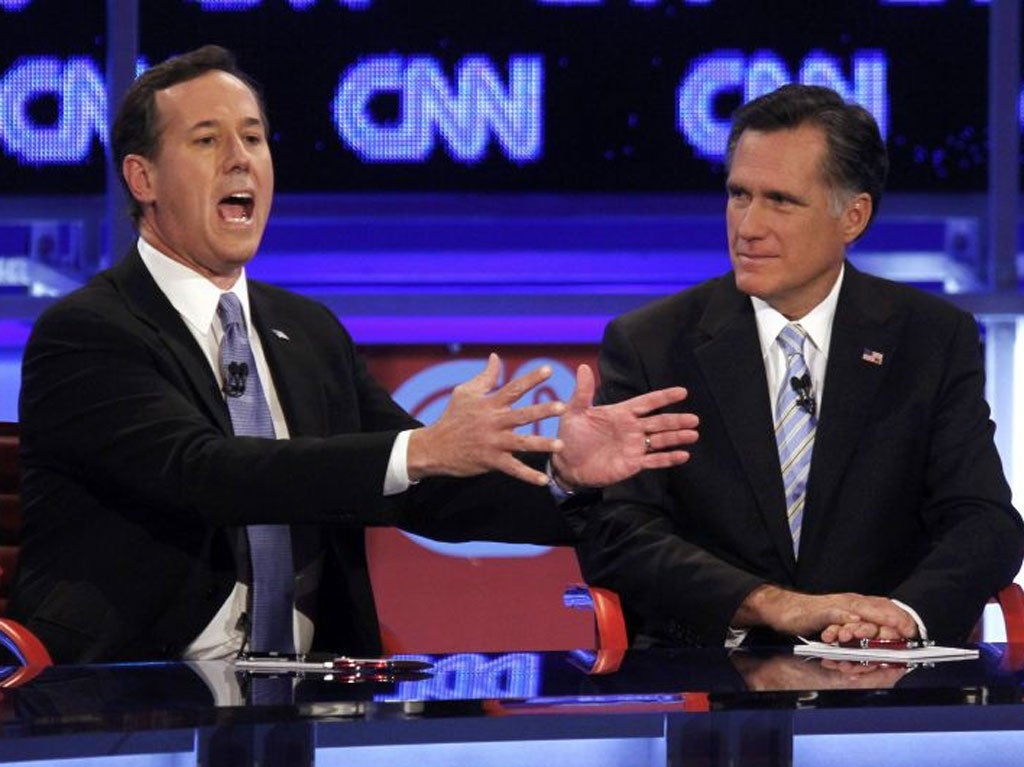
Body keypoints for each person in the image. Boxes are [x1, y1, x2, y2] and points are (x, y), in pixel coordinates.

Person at [8, 45, 699, 664]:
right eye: (207, 139)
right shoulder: (90, 332)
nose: (241, 158)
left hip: (311, 689)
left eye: (253, 137)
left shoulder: (305, 330)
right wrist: (418, 450)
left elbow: (425, 494)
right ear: (142, 179)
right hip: (129, 689)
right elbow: (205, 474)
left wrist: (564, 478)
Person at [571, 84, 1024, 647]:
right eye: (739, 195)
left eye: (781, 201)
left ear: (852, 217)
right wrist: (769, 605)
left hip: (881, 666)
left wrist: (903, 615)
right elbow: (620, 532)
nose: (748, 226)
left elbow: (985, 520)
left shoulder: (929, 338)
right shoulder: (653, 343)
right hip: (711, 665)